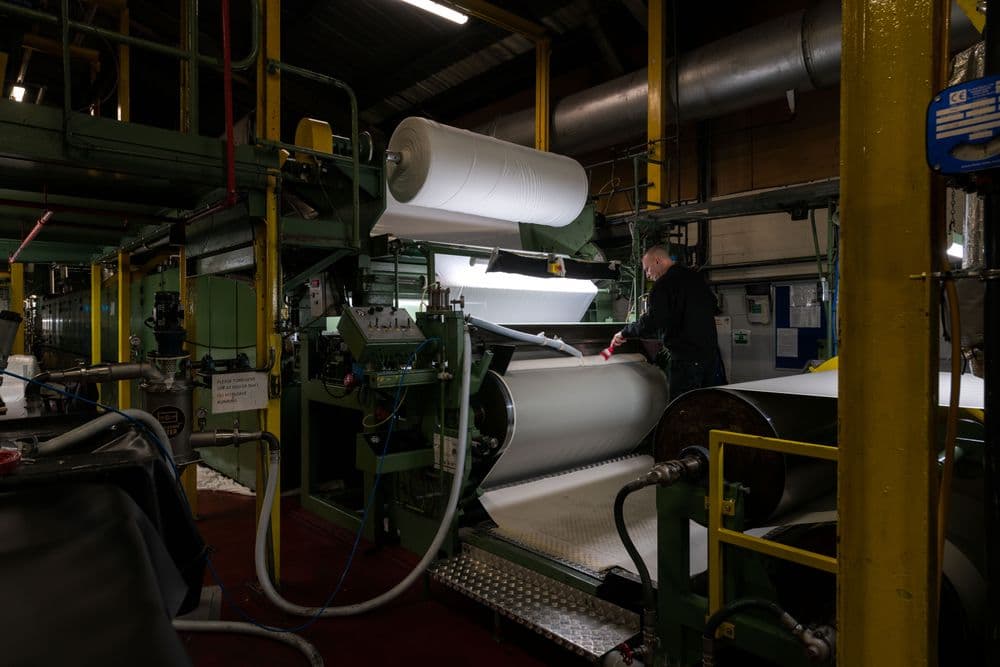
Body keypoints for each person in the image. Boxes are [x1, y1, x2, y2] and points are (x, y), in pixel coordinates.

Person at [610, 246, 720, 398]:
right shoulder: (696, 278)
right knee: (709, 403)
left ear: (657, 261)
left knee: (682, 407)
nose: (648, 275)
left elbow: (653, 322)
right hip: (711, 356)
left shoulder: (663, 285)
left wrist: (625, 332)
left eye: (647, 269)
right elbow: (714, 306)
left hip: (687, 358)